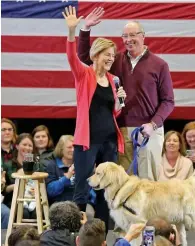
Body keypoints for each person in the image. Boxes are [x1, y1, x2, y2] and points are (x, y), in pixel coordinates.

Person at [78, 7, 174, 181]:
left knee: (148, 185)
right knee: (123, 183)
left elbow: (168, 101)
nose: (129, 40)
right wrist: (86, 28)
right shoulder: (115, 60)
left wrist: (153, 125)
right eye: (125, 36)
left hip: (149, 130)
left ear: (143, 36)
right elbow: (86, 56)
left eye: (133, 35)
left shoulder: (160, 65)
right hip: (120, 131)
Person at [62, 6, 126, 233]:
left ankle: (101, 233)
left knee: (107, 188)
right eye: (107, 55)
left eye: (112, 55)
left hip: (109, 139)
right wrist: (73, 31)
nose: (110, 58)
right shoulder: (84, 75)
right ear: (96, 55)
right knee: (81, 188)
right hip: (87, 140)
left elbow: (114, 112)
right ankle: (74, 232)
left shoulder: (114, 79)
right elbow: (71, 57)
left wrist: (119, 102)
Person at [45, 135, 75, 205]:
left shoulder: (80, 165)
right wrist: (66, 178)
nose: (73, 150)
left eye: (74, 147)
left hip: (78, 203)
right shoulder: (52, 165)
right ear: (61, 149)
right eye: (69, 147)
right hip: (59, 203)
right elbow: (50, 191)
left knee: (89, 213)